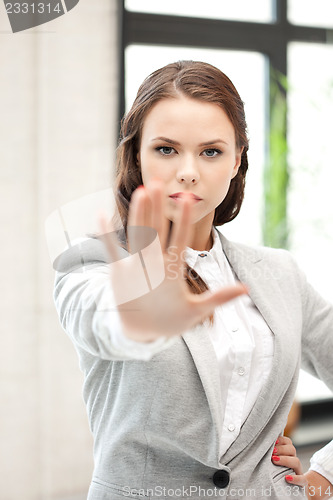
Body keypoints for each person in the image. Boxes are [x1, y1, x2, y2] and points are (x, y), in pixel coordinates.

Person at [54, 61, 333, 499]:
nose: (188, 170)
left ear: (237, 159)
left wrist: (324, 476)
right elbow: (101, 321)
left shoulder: (280, 273)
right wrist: (139, 316)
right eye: (166, 149)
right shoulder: (92, 264)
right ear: (137, 154)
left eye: (211, 151)